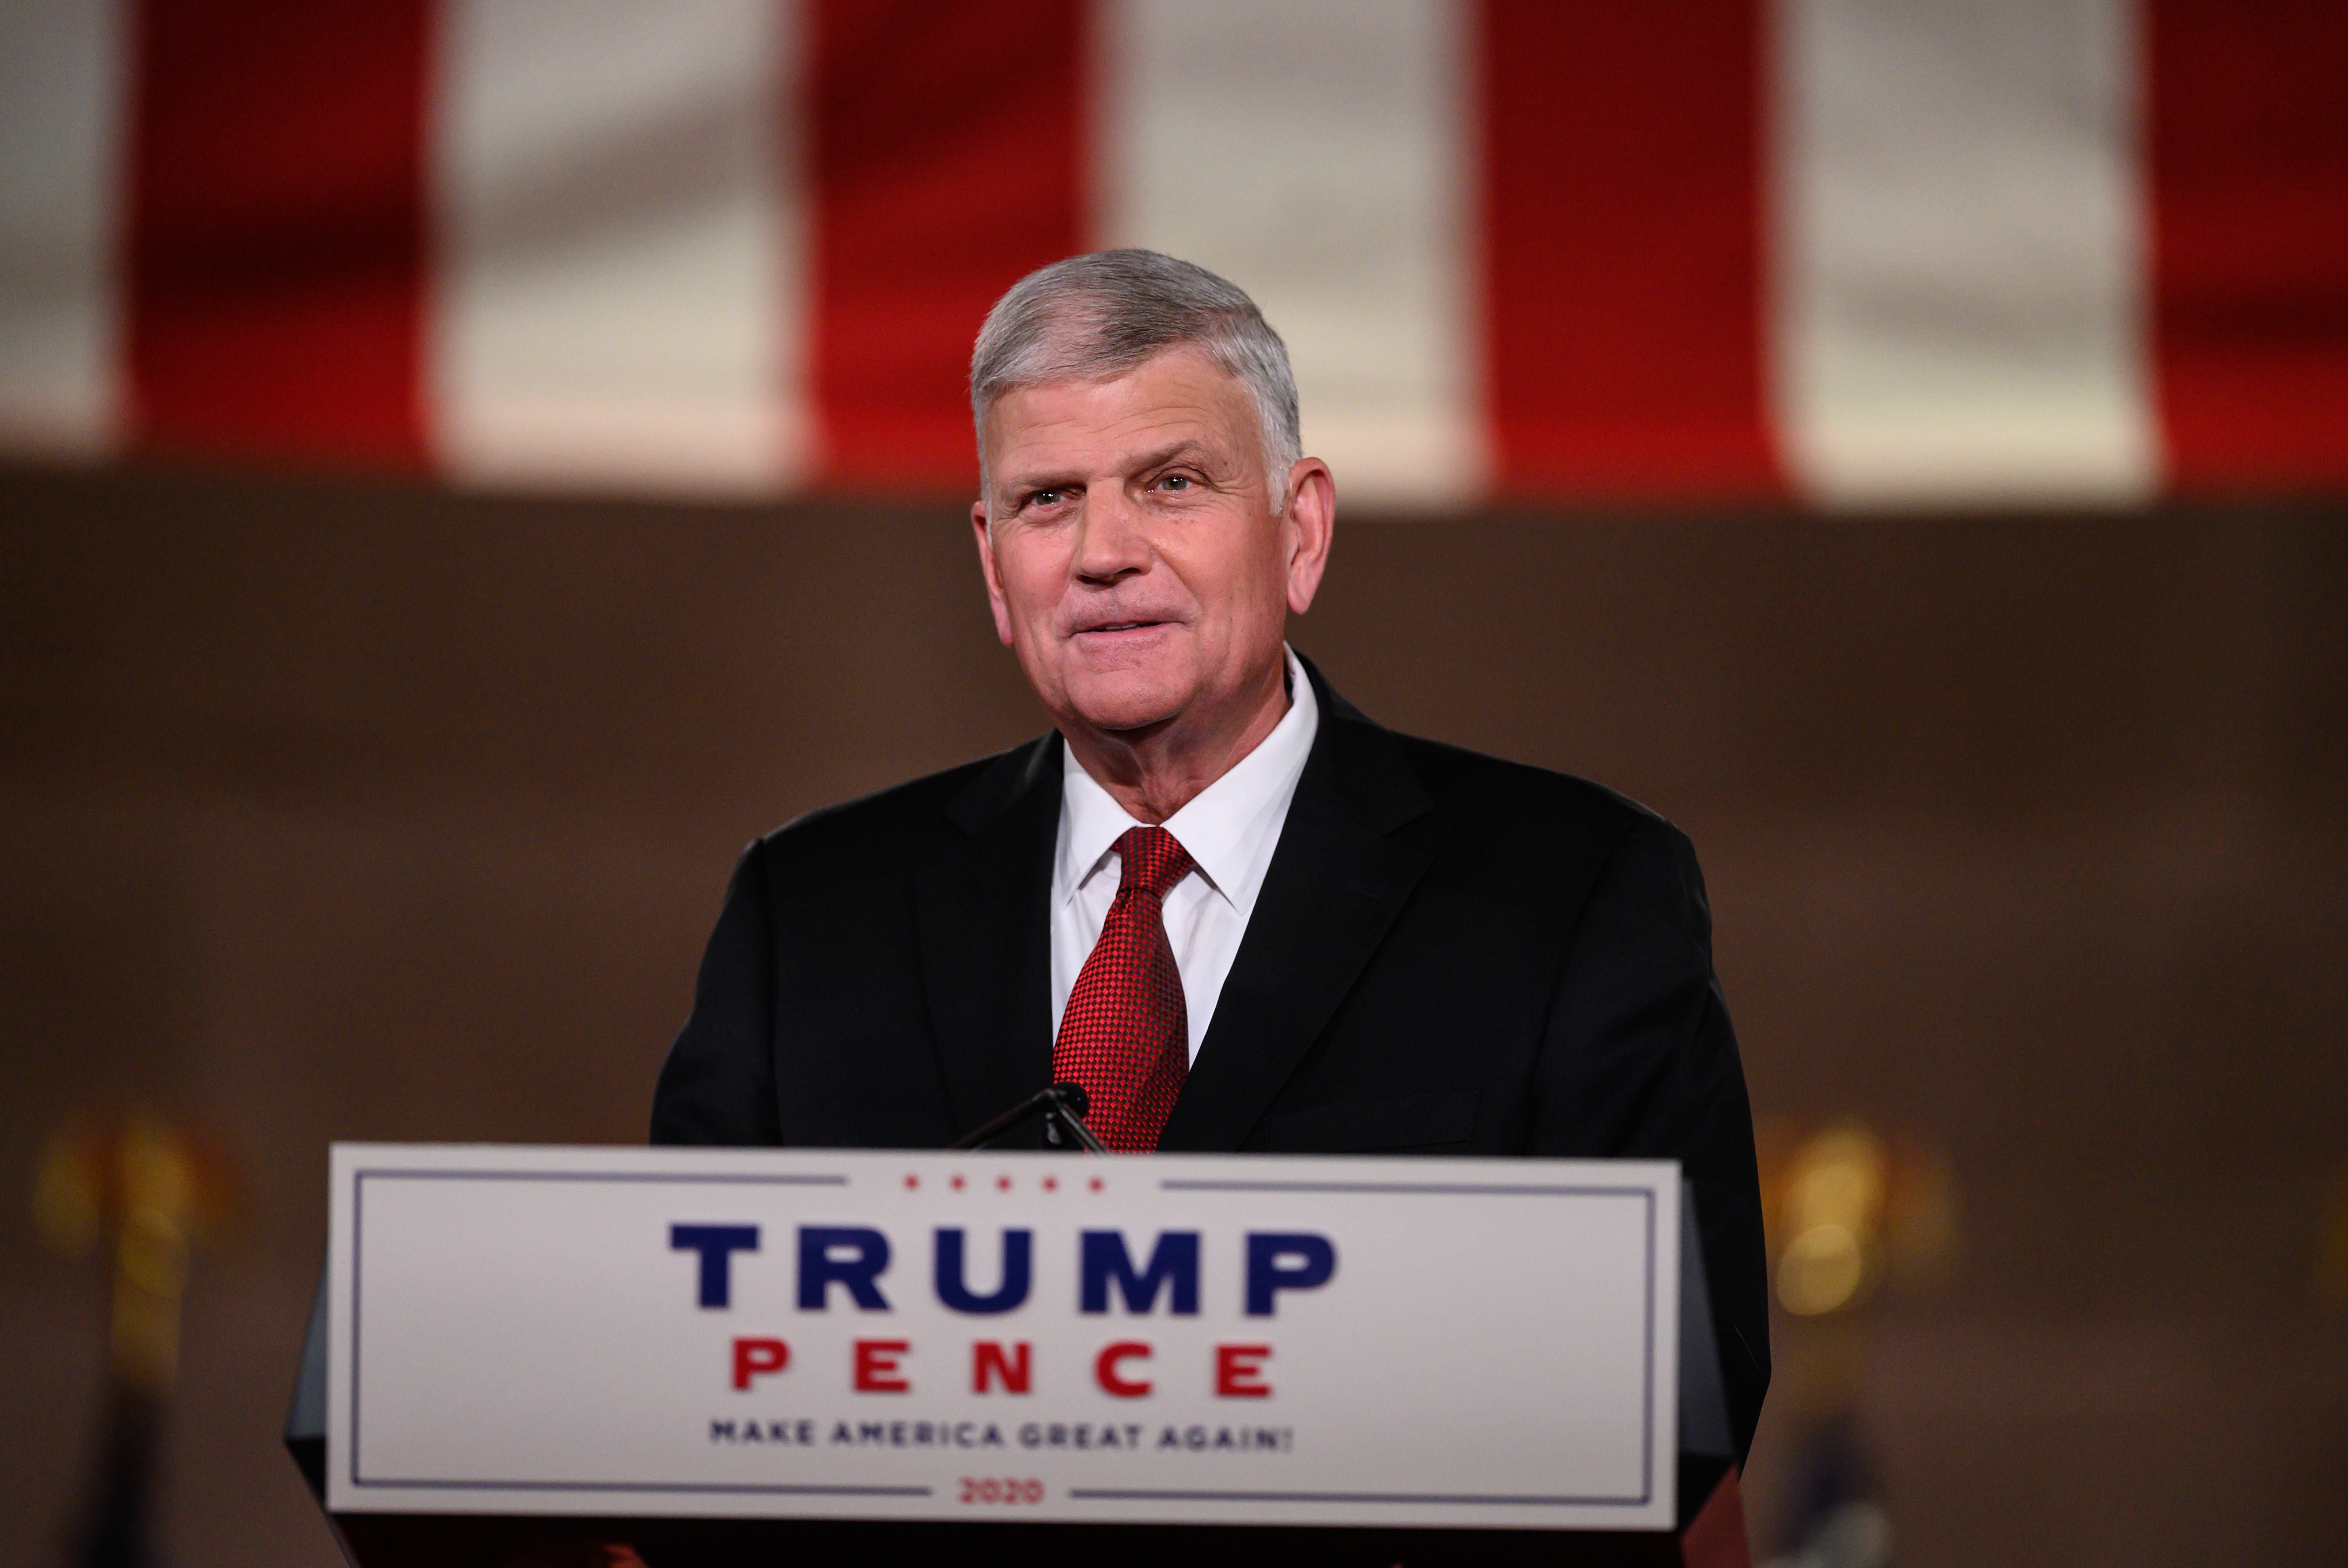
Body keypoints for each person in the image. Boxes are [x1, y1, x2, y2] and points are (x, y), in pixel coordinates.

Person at [651, 250, 1768, 1459]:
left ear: (1301, 532)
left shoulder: (1571, 893)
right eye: (1047, 500)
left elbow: (1680, 1380)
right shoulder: (812, 916)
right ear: (992, 566)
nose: (1103, 552)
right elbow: (675, 1365)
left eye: (1172, 483)